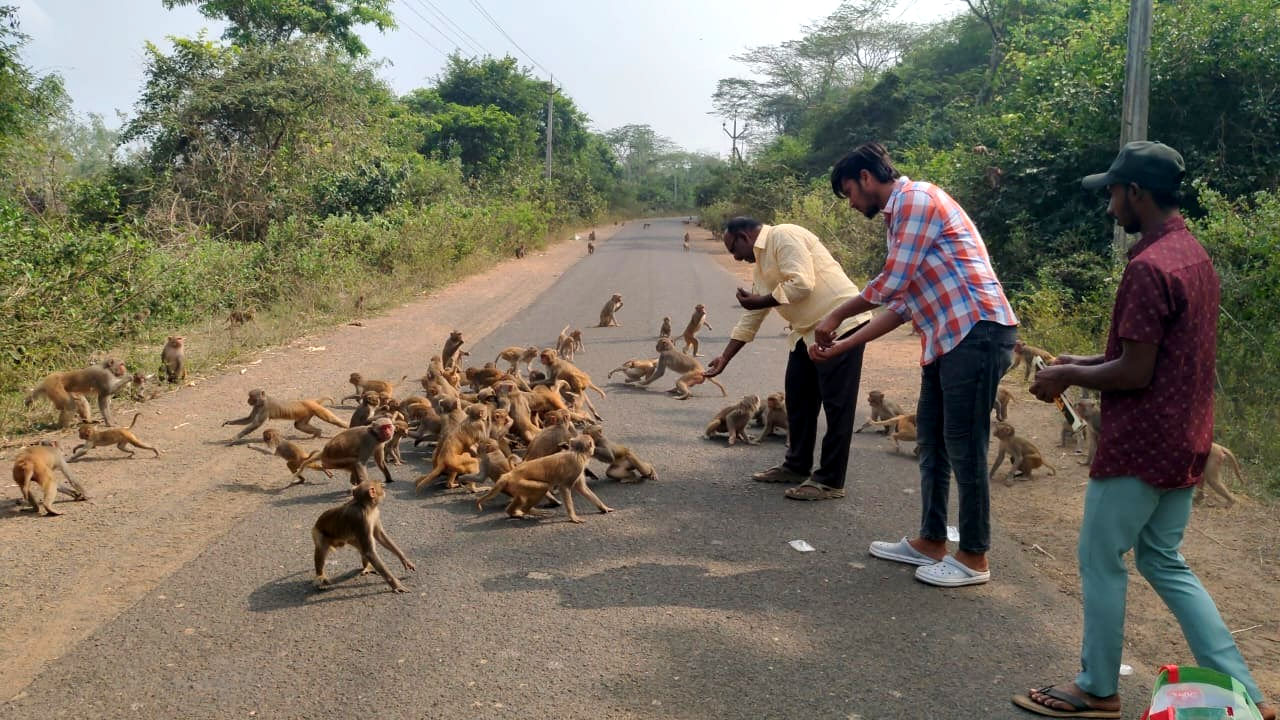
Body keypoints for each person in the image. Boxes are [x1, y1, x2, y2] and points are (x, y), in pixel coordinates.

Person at [1010, 141, 1274, 720]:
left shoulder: (1148, 266)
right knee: (1162, 560)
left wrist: (1063, 378)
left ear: (1136, 192)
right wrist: (1079, 363)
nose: (1109, 203)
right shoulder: (1192, 256)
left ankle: (1097, 688)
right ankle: (1247, 693)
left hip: (1142, 441)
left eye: (1113, 191)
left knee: (1100, 558)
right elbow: (1153, 353)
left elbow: (1134, 370)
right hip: (1187, 434)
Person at [810, 141, 1018, 588]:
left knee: (965, 446)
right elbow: (902, 304)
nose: (850, 203)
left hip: (976, 333)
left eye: (849, 192)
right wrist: (843, 345)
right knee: (934, 443)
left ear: (866, 178)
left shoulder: (916, 201)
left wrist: (835, 316)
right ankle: (931, 539)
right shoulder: (900, 218)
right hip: (950, 340)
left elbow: (890, 283)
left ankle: (974, 557)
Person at [704, 217, 874, 501]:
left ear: (745, 236)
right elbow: (753, 315)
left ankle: (830, 481)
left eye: (734, 249)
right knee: (798, 400)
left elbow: (802, 284)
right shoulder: (761, 262)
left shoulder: (784, 236)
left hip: (841, 324)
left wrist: (760, 300)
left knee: (837, 408)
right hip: (806, 332)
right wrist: (725, 356)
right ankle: (796, 466)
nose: (735, 257)